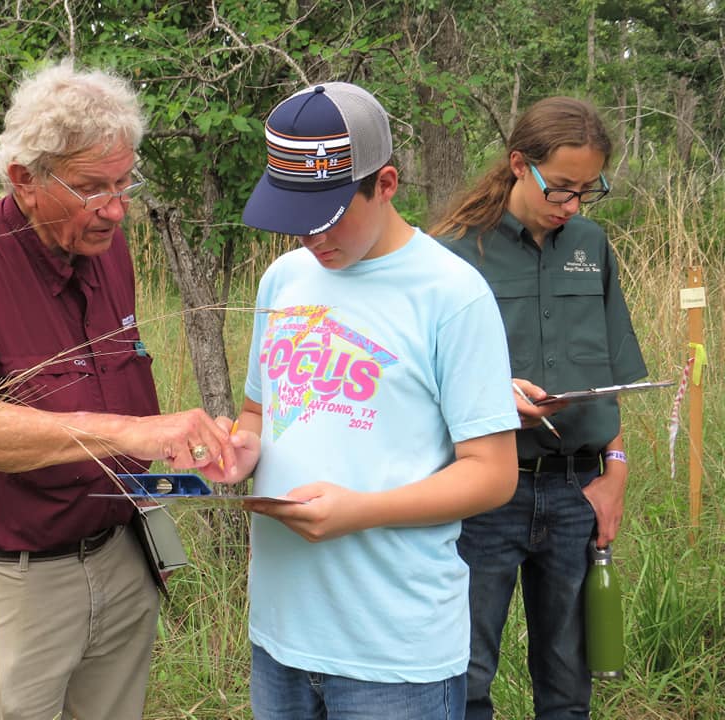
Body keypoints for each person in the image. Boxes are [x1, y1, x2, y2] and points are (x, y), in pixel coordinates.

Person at [0, 59, 235, 720]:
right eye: (91, 187)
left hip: (122, 560)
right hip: (12, 588)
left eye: (123, 181)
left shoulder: (107, 246)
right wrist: (135, 432)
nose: (117, 208)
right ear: (25, 180)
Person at [218, 81, 521, 720]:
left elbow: (493, 475)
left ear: (386, 184)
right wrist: (239, 450)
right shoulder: (284, 280)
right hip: (281, 639)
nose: (309, 240)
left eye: (326, 219)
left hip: (395, 653)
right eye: (292, 221)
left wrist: (362, 510)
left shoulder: (452, 295)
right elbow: (259, 414)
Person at [430, 96, 648, 720]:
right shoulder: (450, 254)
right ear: (518, 165)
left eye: (587, 190)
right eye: (560, 189)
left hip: (578, 494)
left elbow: (612, 373)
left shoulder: (591, 245)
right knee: (465, 677)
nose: (572, 205)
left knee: (568, 683)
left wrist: (616, 471)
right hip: (485, 495)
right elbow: (418, 383)